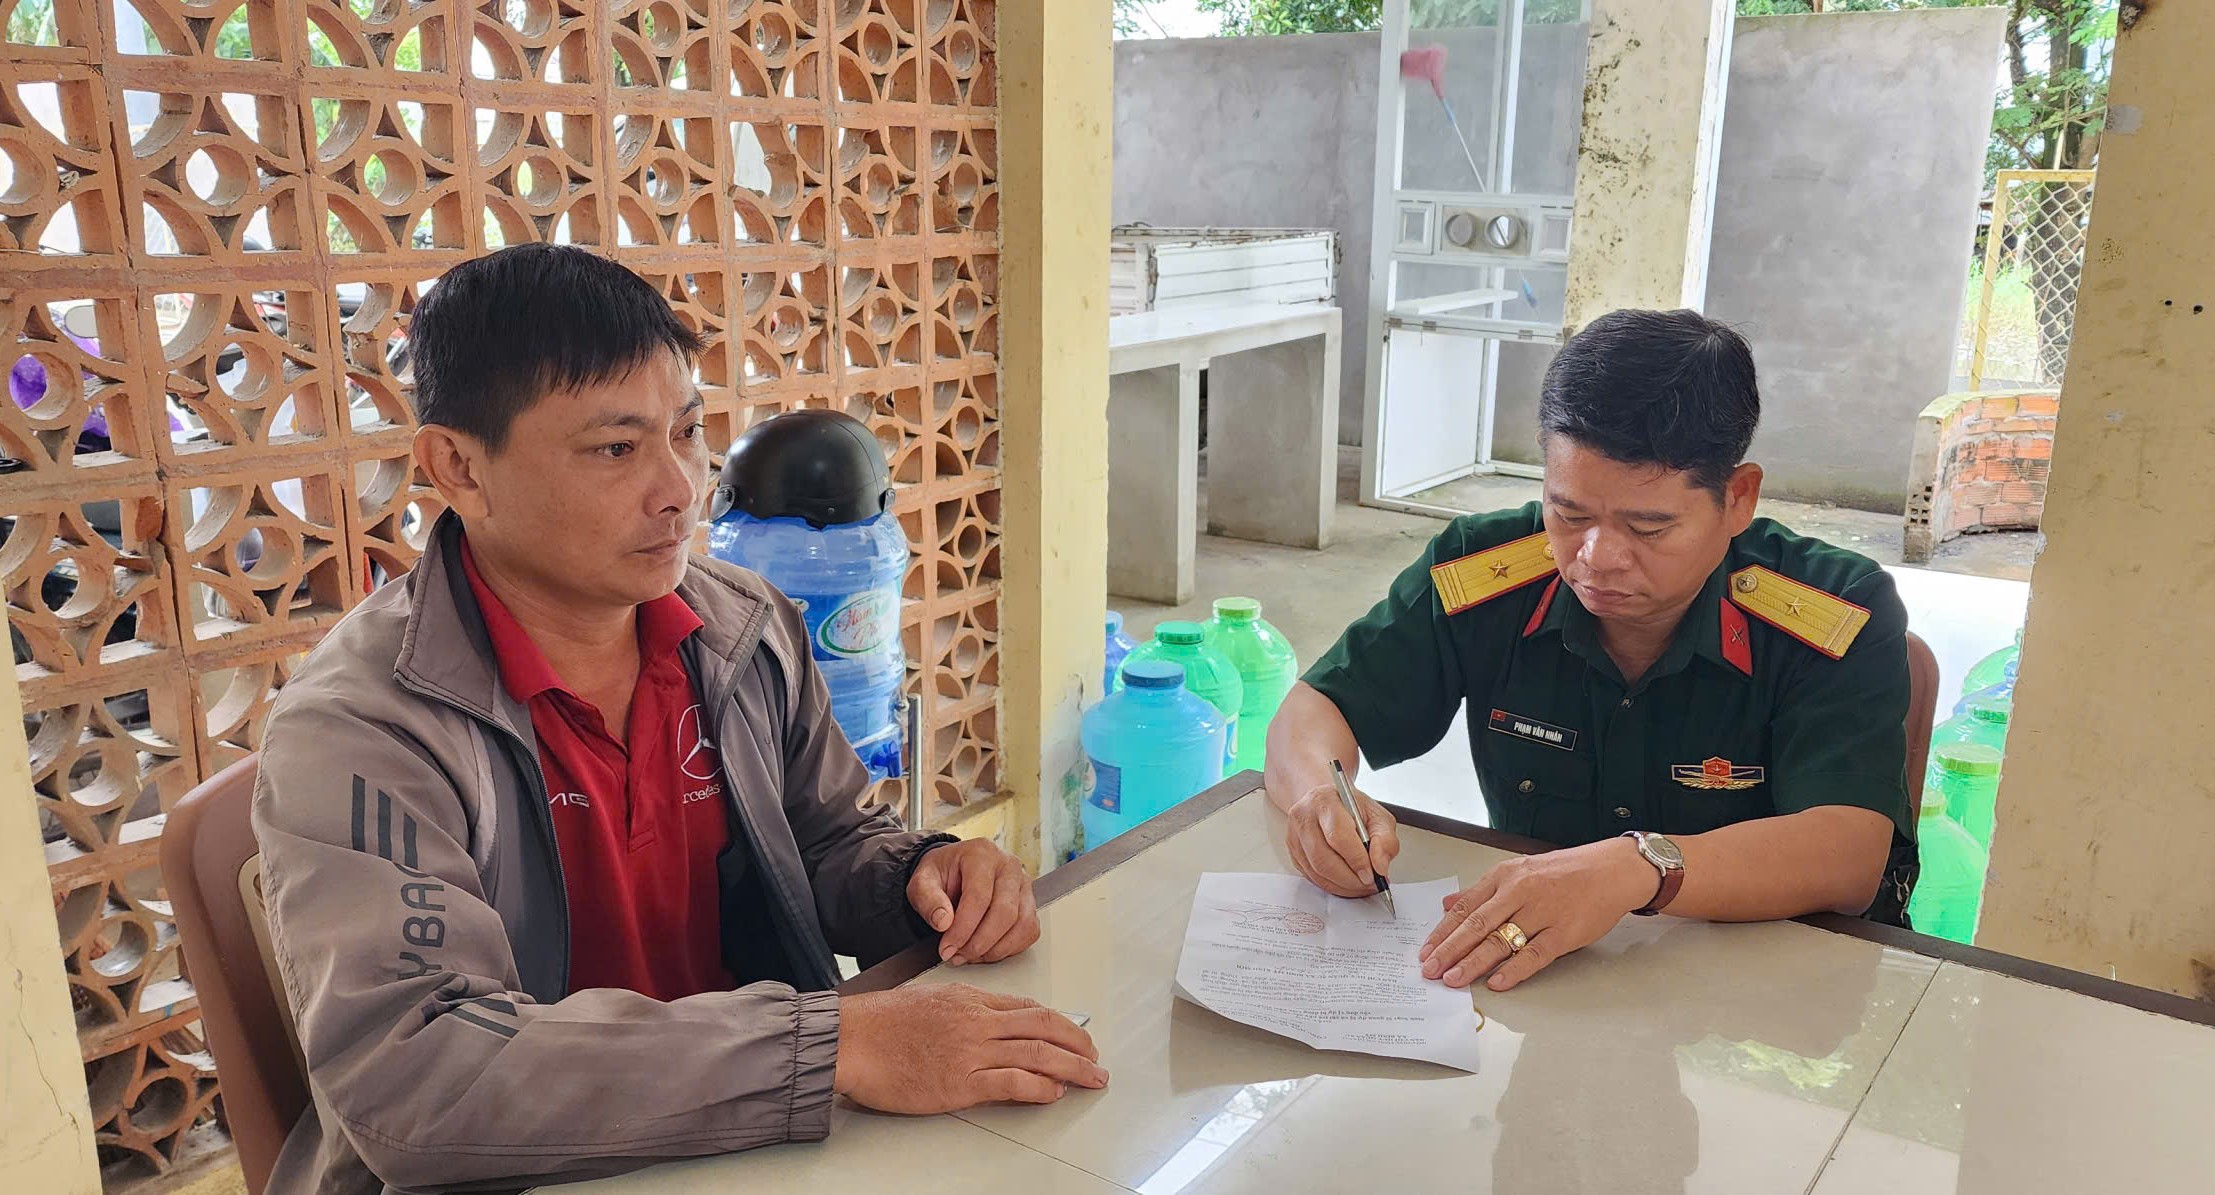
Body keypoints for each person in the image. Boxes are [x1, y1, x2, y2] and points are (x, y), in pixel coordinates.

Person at [252, 244, 1105, 1194]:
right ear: (458, 467)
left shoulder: (742, 628)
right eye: (616, 449)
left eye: (688, 432)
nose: (680, 489)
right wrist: (827, 1047)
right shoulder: (365, 728)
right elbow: (423, 1073)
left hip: (753, 1138)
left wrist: (923, 879)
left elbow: (828, 839)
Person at [1266, 308, 1918, 996]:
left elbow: (1847, 854)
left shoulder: (1832, 610)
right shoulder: (1484, 573)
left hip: (1763, 997)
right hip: (1549, 980)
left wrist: (1640, 867)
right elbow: (1318, 707)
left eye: (1648, 527)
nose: (1596, 559)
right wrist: (1320, 796)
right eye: (1569, 513)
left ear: (1737, 498)